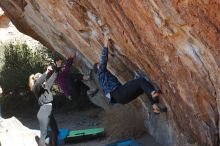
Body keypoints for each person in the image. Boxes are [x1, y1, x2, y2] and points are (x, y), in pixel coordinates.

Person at [94, 34, 162, 114]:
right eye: (99, 65)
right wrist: (105, 42)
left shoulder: (103, 79)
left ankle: (155, 106)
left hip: (122, 100)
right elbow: (103, 60)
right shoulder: (101, 73)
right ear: (98, 68)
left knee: (143, 87)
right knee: (140, 81)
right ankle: (153, 93)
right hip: (119, 93)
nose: (101, 65)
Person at [29, 65, 61, 146]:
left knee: (54, 131)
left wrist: (58, 67)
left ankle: (45, 142)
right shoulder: (36, 88)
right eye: (42, 79)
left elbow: (53, 77)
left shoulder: (44, 86)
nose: (44, 80)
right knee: (55, 131)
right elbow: (39, 82)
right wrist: (46, 72)